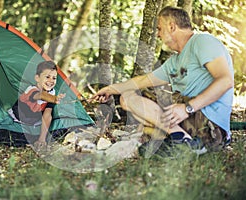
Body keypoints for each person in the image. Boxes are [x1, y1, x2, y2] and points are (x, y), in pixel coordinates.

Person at [90, 6, 234, 154]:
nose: (158, 34)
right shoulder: (175, 61)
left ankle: (180, 139)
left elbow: (226, 81)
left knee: (146, 125)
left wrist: (187, 108)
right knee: (127, 98)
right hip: (189, 122)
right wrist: (110, 89)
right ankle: (183, 140)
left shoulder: (203, 42)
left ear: (171, 26)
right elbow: (142, 81)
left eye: (159, 29)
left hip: (210, 127)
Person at [8, 61, 65, 148]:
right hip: (19, 115)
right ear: (37, 78)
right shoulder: (31, 90)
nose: (51, 81)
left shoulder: (52, 93)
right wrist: (54, 99)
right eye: (47, 77)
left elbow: (47, 113)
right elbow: (41, 95)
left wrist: (42, 138)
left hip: (34, 118)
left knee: (48, 112)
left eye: (54, 78)